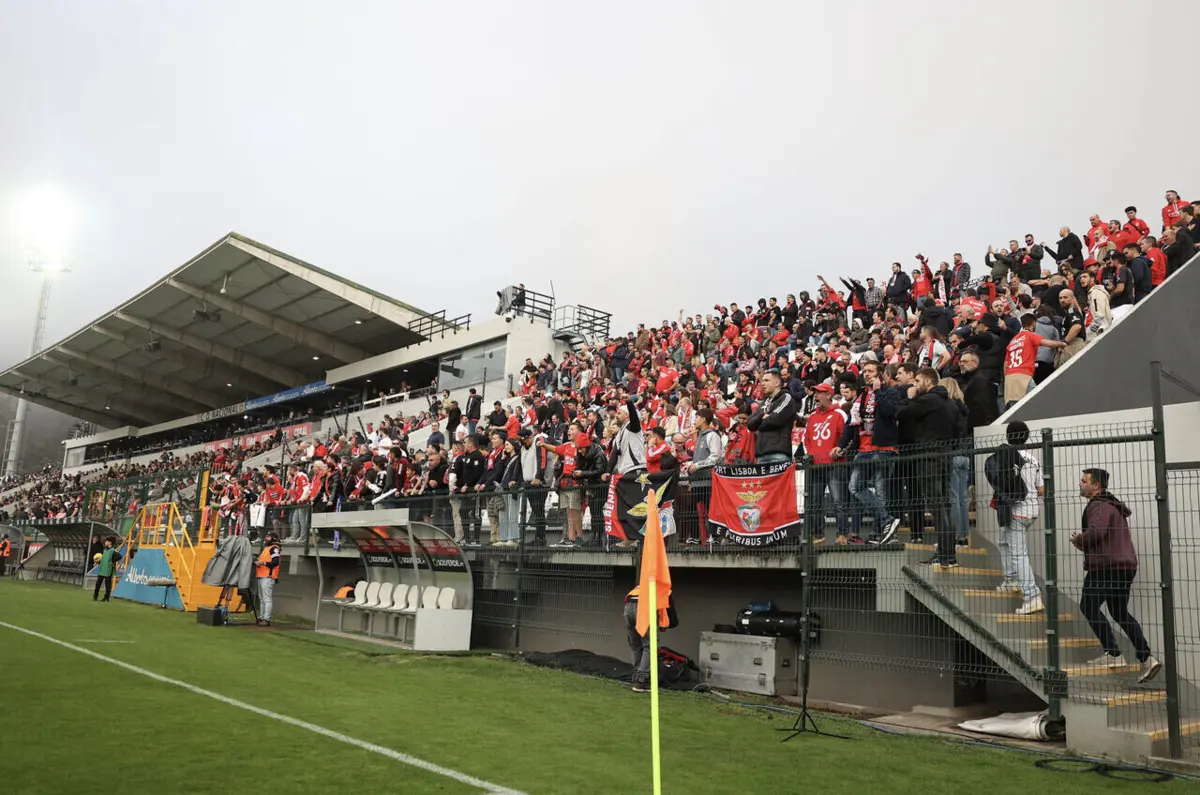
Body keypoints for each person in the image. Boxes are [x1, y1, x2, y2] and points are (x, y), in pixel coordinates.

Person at [1071, 468, 1161, 683]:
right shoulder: (1113, 506)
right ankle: (1146, 658)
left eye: (1084, 481)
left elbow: (1097, 533)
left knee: (1088, 606)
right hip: (1125, 567)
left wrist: (1079, 539)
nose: (1080, 484)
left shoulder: (1099, 505)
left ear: (1096, 485)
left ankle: (1113, 654)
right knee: (1120, 613)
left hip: (1106, 567)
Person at [986, 422, 1044, 615]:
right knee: (1004, 541)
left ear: (1008, 435)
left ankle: (1032, 596)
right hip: (1032, 510)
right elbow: (1042, 489)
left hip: (1014, 510)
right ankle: (1010, 580)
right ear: (1026, 437)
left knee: (1019, 554)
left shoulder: (1004, 456)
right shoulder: (1033, 459)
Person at [746, 369, 797, 464]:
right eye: (762, 381)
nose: (762, 384)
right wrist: (762, 415)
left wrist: (759, 422)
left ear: (777, 383)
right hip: (761, 455)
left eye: (766, 380)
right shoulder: (764, 403)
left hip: (778, 454)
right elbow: (750, 424)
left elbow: (774, 419)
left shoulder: (786, 397)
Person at [255, 532, 282, 626]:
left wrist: (262, 563)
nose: (266, 538)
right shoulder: (268, 548)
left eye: (268, 537)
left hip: (268, 576)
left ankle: (266, 618)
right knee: (262, 599)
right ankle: (262, 617)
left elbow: (275, 562)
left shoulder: (274, 548)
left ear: (273, 538)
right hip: (262, 575)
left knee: (266, 599)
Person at [93, 537, 120, 602]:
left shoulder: (113, 550)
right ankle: (95, 597)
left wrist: (112, 561)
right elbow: (104, 559)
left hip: (108, 570)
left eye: (106, 541)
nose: (105, 542)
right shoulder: (105, 550)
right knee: (98, 584)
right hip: (102, 569)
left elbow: (119, 556)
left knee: (107, 585)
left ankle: (106, 598)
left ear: (110, 542)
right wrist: (97, 562)